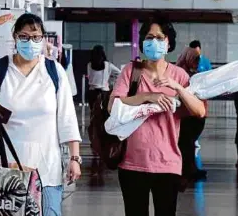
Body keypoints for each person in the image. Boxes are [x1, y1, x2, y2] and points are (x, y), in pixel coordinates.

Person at [0, 13, 82, 216]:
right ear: (15, 37)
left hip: (45, 168)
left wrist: (75, 158)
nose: (30, 42)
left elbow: (67, 118)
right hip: (3, 167)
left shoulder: (54, 71)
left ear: (43, 39)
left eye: (35, 37)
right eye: (24, 37)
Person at [108, 15, 206, 216]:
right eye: (150, 37)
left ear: (168, 42)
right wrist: (147, 96)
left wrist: (178, 87)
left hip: (167, 163)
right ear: (143, 42)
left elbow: (200, 110)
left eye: (160, 38)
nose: (154, 42)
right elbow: (113, 105)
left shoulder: (179, 75)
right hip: (132, 163)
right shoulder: (131, 71)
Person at [176, 47, 208, 186]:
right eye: (194, 59)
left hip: (195, 115)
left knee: (189, 144)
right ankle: (186, 171)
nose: (197, 62)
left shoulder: (194, 73)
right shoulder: (179, 74)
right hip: (185, 116)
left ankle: (191, 169)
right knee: (186, 145)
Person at [87, 45, 121, 111]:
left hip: (92, 92)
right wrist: (112, 77)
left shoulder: (89, 64)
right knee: (105, 113)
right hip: (104, 92)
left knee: (94, 113)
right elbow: (119, 73)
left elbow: (90, 76)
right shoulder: (108, 65)